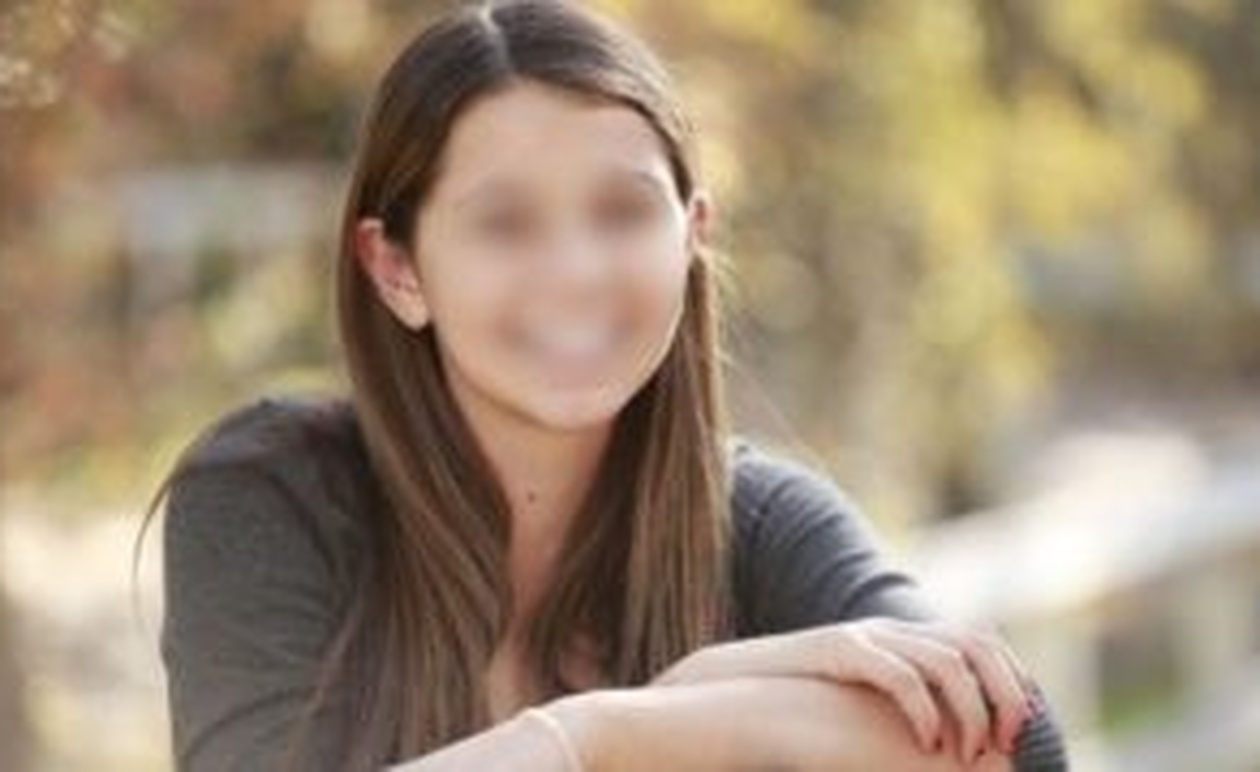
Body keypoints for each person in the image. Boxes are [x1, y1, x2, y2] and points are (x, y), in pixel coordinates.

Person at [145, 1, 1069, 769]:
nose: (578, 271)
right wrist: (598, 736)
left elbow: (1012, 747)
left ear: (692, 234)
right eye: (506, 222)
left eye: (622, 210)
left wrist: (631, 725)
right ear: (397, 270)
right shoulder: (276, 495)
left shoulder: (758, 522)